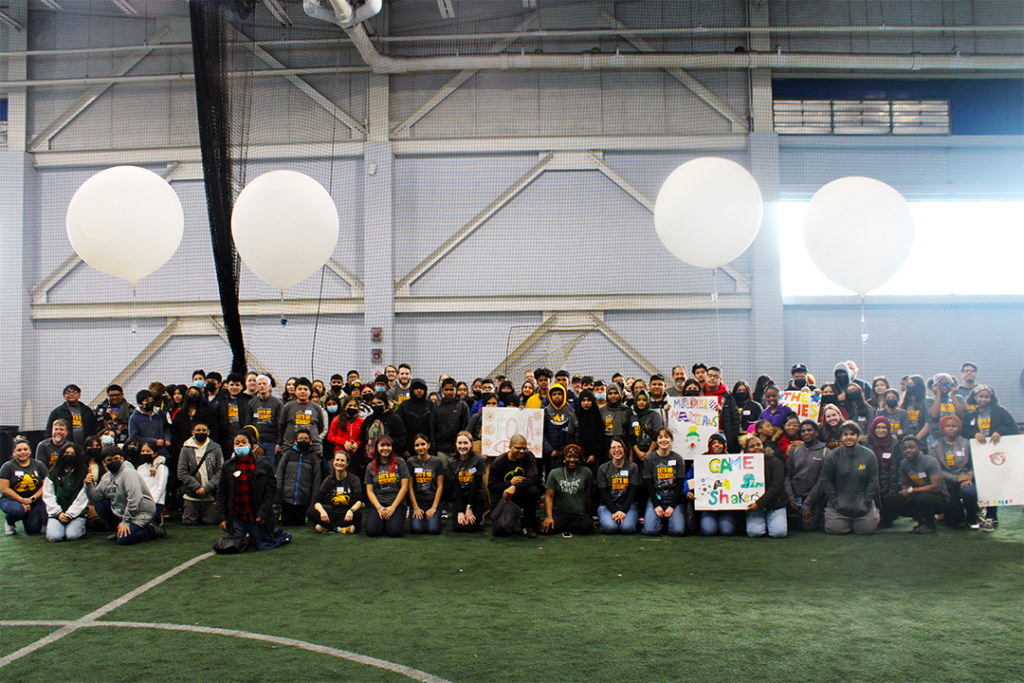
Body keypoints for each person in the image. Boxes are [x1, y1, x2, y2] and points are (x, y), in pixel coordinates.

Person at [962, 385, 1018, 531]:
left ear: (991, 398)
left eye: (987, 397)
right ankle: (974, 515)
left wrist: (1000, 431)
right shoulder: (971, 415)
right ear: (975, 397)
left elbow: (1013, 427)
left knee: (993, 484)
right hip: (978, 456)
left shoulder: (1000, 411)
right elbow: (964, 430)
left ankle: (991, 516)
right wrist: (975, 434)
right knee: (981, 483)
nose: (983, 399)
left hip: (996, 454)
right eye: (980, 396)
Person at [86, 446, 165, 545]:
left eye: (116, 459)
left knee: (124, 540)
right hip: (123, 512)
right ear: (104, 463)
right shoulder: (106, 478)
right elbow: (95, 498)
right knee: (100, 504)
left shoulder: (128, 473)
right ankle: (119, 530)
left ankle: (151, 530)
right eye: (109, 460)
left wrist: (126, 522)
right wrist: (88, 484)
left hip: (141, 512)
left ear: (122, 459)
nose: (113, 462)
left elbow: (134, 498)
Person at [216, 431, 277, 542]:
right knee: (237, 545)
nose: (240, 445)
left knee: (259, 543)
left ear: (250, 445)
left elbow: (270, 492)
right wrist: (222, 518)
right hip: (237, 516)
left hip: (256, 516)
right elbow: (222, 493)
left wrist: (263, 512)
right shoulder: (227, 466)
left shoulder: (263, 465)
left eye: (244, 442)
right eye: (237, 443)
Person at [821, 421, 880, 536]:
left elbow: (873, 481)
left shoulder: (869, 455)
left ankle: (869, 514)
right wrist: (835, 502)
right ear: (841, 437)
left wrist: (867, 502)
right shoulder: (833, 455)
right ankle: (844, 521)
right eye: (845, 434)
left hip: (863, 506)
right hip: (838, 506)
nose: (849, 437)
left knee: (867, 530)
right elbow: (826, 480)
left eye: (852, 434)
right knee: (835, 529)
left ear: (858, 436)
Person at [880, 435, 946, 534]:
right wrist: (906, 493)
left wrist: (912, 491)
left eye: (911, 447)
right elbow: (905, 484)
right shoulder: (904, 463)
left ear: (919, 448)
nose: (908, 450)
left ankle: (930, 524)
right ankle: (919, 518)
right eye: (905, 448)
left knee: (923, 498)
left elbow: (935, 487)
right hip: (916, 496)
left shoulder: (931, 461)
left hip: (939, 499)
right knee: (889, 501)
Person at [487, 434, 542, 538]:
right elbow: (492, 487)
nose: (522, 451)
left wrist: (515, 487)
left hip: (521, 494)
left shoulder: (529, 456)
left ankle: (527, 524)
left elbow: (534, 479)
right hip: (503, 498)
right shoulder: (498, 462)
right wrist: (509, 484)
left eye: (524, 448)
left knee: (533, 491)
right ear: (510, 447)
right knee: (500, 532)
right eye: (518, 448)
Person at [930, 415, 978, 530]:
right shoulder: (934, 447)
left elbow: (974, 465)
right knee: (953, 522)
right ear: (942, 428)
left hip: (965, 481)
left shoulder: (967, 444)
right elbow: (937, 471)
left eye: (954, 426)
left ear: (959, 428)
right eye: (948, 426)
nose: (951, 428)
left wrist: (968, 477)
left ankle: (972, 517)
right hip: (947, 485)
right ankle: (958, 510)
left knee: (969, 492)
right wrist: (956, 479)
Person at [540, 444, 594, 536]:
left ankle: (561, 527)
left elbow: (588, 498)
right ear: (564, 458)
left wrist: (590, 518)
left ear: (580, 459)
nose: (572, 460)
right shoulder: (554, 473)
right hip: (560, 513)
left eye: (575, 457)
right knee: (546, 529)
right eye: (569, 457)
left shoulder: (586, 472)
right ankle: (562, 525)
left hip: (578, 515)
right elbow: (549, 497)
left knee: (587, 526)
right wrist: (549, 517)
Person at [177, 421, 224, 526]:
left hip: (210, 494)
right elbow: (182, 472)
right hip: (191, 495)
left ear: (208, 432)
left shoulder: (216, 448)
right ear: (192, 432)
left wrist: (207, 488)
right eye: (198, 430)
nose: (201, 432)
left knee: (210, 522)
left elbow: (220, 471)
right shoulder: (186, 449)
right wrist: (197, 487)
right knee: (189, 522)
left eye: (204, 430)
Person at [1, 436, 49, 536]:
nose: (22, 452)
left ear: (30, 451)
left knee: (34, 530)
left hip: (33, 501)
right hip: (11, 500)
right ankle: (10, 522)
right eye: (19, 450)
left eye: (25, 449)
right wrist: (22, 501)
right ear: (14, 453)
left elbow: (46, 485)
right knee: (17, 511)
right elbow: (4, 489)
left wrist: (32, 499)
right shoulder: (7, 467)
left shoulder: (39, 465)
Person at [364, 435, 411, 538]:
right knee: (372, 531)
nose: (385, 448)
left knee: (393, 532)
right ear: (377, 448)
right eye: (382, 445)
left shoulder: (400, 462)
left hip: (397, 504)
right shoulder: (370, 467)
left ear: (392, 448)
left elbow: (404, 487)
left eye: (388, 446)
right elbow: (370, 491)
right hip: (379, 504)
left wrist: (392, 507)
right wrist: (379, 508)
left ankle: (392, 519)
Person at [642, 428, 686, 536]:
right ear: (656, 441)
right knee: (650, 531)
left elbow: (680, 484)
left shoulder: (678, 459)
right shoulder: (649, 458)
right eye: (660, 437)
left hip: (674, 497)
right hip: (656, 497)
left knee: (678, 531)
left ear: (671, 440)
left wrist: (672, 506)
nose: (664, 440)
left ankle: (669, 520)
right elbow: (648, 484)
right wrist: (656, 506)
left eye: (667, 437)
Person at [785, 420, 827, 532]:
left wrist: (808, 504)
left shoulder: (826, 452)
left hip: (813, 498)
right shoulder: (795, 451)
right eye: (803, 431)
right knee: (788, 526)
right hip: (795, 497)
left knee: (808, 527)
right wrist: (791, 498)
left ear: (816, 433)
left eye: (809, 430)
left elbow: (822, 481)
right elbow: (787, 476)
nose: (806, 433)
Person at [744, 434, 788, 538]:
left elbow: (776, 486)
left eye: (758, 444)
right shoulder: (742, 465)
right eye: (752, 446)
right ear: (746, 450)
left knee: (778, 533)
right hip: (754, 505)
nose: (756, 448)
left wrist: (759, 504)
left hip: (775, 504)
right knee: (755, 532)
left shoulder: (774, 461)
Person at [42, 443, 89, 542]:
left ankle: (80, 527)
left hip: (76, 514)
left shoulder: (84, 474)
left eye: (72, 453)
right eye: (66, 453)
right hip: (57, 513)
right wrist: (58, 513)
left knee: (72, 536)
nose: (69, 455)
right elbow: (48, 496)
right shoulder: (52, 474)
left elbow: (83, 496)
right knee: (54, 537)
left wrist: (70, 514)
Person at [275, 428, 322, 526]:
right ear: (295, 441)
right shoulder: (288, 455)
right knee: (286, 522)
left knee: (300, 523)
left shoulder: (313, 458)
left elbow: (317, 481)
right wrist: (279, 495)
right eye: (300, 439)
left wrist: (312, 502)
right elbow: (279, 474)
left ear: (310, 442)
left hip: (303, 499)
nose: (303, 441)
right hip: (287, 498)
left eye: (306, 439)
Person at [695, 432, 737, 536]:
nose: (717, 445)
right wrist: (688, 491)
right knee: (708, 531)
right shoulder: (702, 459)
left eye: (720, 443)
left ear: (725, 446)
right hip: (707, 505)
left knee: (727, 531)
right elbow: (690, 478)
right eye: (714, 443)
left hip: (726, 505)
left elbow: (736, 480)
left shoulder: (732, 460)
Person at [312, 451, 364, 534]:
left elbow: (359, 500)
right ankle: (339, 529)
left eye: (342, 461)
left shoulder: (354, 479)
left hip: (347, 515)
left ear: (347, 464)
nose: (339, 463)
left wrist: (351, 511)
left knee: (357, 515)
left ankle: (328, 527)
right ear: (333, 462)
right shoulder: (329, 480)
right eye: (337, 460)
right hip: (333, 515)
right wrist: (322, 511)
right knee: (311, 512)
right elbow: (317, 501)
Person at [596, 437, 639, 534]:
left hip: (627, 505)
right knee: (610, 528)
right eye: (613, 448)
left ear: (624, 449)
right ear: (609, 451)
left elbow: (632, 491)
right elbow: (603, 493)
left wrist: (623, 511)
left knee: (627, 529)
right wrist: (615, 511)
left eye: (619, 447)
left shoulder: (633, 467)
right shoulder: (603, 469)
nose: (617, 450)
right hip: (607, 505)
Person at [279, 377, 327, 456]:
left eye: (305, 389)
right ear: (295, 391)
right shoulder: (288, 406)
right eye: (300, 389)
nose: (302, 391)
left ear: (310, 392)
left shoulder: (316, 408)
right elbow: (281, 427)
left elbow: (320, 428)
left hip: (313, 448)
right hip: (290, 447)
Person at [449, 431, 486, 533]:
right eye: (460, 443)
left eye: (465, 443)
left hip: (476, 498)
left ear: (471, 444)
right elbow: (455, 487)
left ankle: (479, 515)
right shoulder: (452, 461)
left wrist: (469, 508)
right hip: (461, 497)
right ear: (456, 444)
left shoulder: (479, 459)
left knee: (471, 528)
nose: (462, 446)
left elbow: (476, 485)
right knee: (458, 527)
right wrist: (461, 511)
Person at [407, 434, 444, 535]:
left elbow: (440, 486)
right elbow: (409, 486)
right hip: (417, 502)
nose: (420, 447)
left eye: (423, 444)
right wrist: (415, 507)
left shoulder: (437, 461)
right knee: (417, 530)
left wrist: (434, 507)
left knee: (433, 530)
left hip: (432, 501)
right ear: (414, 447)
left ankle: (436, 515)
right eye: (417, 445)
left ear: (428, 445)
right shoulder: (410, 462)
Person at [359, 393, 408, 464]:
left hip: (389, 458)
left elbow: (402, 438)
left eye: (379, 402)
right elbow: (363, 439)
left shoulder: (394, 418)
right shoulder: (368, 420)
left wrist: (387, 445)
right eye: (374, 403)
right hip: (370, 459)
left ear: (385, 403)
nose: (376, 405)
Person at [701, 367, 741, 451]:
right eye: (710, 375)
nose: (712, 378)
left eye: (716, 376)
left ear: (720, 379)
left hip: (724, 438)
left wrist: (731, 437)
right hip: (702, 437)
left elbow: (735, 418)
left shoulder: (728, 397)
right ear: (705, 377)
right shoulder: (699, 393)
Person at [542, 383, 577, 475]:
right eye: (554, 394)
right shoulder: (545, 412)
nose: (557, 396)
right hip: (550, 455)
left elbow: (574, 433)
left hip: (567, 454)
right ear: (550, 396)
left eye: (559, 394)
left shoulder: (571, 412)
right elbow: (541, 434)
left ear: (564, 395)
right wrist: (549, 450)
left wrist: (568, 450)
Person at [250, 375, 284, 469]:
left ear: (269, 386)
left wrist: (279, 443)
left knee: (271, 469)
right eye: (259, 384)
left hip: (272, 442)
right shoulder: (252, 403)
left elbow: (280, 425)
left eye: (264, 384)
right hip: (257, 442)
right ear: (256, 387)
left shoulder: (277, 403)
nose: (261, 386)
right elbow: (248, 424)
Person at [396, 378, 436, 458]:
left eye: (421, 388)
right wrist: (403, 449)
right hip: (409, 451)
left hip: (429, 450)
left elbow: (435, 428)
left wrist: (433, 448)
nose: (419, 390)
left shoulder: (431, 405)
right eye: (416, 388)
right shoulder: (404, 406)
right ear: (411, 390)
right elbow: (399, 429)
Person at [924, 373, 967, 444]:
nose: (944, 387)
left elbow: (963, 415)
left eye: (947, 385)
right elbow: (934, 415)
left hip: (956, 436)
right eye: (941, 385)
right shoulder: (930, 401)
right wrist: (938, 395)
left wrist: (953, 396)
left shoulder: (958, 398)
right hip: (937, 436)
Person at [129, 389, 172, 459]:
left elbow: (166, 427)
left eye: (151, 400)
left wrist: (167, 439)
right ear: (140, 404)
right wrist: (153, 442)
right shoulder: (134, 418)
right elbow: (134, 438)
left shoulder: (159, 413)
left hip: (162, 452)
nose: (150, 402)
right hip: (146, 454)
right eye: (147, 401)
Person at [327, 396, 364, 475]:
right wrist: (343, 442)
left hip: (354, 456)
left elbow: (363, 438)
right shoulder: (337, 419)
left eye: (354, 406)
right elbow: (330, 437)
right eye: (349, 405)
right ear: (345, 407)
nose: (352, 408)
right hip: (339, 454)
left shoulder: (361, 421)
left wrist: (357, 444)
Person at [216, 372, 252, 449]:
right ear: (227, 386)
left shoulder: (248, 400)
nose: (234, 387)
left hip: (243, 441)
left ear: (242, 387)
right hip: (226, 441)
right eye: (232, 385)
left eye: (237, 385)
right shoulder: (221, 401)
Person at [136, 440, 168, 522]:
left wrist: (152, 502)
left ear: (155, 453)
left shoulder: (161, 468)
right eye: (143, 451)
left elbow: (161, 487)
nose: (145, 453)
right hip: (141, 503)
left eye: (148, 451)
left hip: (156, 503)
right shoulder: (140, 468)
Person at [576, 389, 606, 474]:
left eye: (588, 400)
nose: (586, 403)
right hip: (579, 456)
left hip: (595, 457)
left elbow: (600, 436)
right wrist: (579, 454)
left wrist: (595, 454)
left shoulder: (597, 416)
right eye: (583, 400)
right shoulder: (576, 415)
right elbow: (572, 435)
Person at [600, 383, 634, 454]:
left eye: (616, 393)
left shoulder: (627, 410)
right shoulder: (601, 411)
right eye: (610, 393)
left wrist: (631, 453)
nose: (613, 396)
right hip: (606, 446)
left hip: (624, 444)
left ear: (620, 394)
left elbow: (631, 434)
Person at [631, 390, 662, 463]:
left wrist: (649, 453)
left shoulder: (654, 415)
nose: (641, 402)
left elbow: (657, 435)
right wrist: (639, 453)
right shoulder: (633, 417)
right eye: (639, 400)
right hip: (638, 455)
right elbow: (631, 438)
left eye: (644, 400)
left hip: (653, 454)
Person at [900, 374, 930, 441]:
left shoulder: (926, 402)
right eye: (908, 384)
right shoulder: (906, 402)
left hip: (921, 440)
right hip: (905, 438)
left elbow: (927, 426)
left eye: (912, 384)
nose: (909, 386)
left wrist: (915, 440)